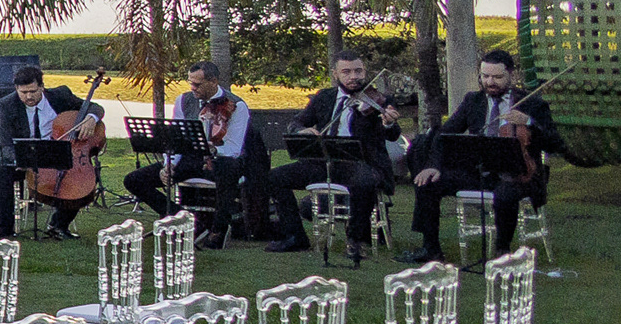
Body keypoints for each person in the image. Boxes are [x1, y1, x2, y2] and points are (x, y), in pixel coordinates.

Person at [404, 49, 560, 265]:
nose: (490, 82)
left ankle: (502, 251)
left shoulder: (532, 103)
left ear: (511, 75)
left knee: (505, 194)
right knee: (428, 183)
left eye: (497, 77)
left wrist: (529, 122)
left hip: (520, 175)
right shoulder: (473, 100)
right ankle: (431, 249)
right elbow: (444, 136)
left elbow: (554, 142)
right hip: (480, 172)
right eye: (485, 76)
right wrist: (434, 166)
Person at [121, 61, 267, 247]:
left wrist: (212, 149)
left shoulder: (237, 105)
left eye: (197, 84)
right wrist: (169, 164)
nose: (193, 88)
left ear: (213, 81)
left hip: (223, 160)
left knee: (227, 169)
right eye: (191, 82)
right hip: (191, 159)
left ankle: (218, 229)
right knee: (133, 180)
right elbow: (176, 138)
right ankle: (184, 219)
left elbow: (234, 148)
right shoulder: (184, 100)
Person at [271, 55, 399, 251]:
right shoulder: (324, 97)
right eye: (346, 72)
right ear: (335, 74)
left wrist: (388, 123)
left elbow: (393, 134)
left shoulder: (379, 101)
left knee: (363, 181)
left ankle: (356, 240)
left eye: (358, 71)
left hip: (363, 163)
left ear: (365, 72)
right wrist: (301, 130)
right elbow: (296, 122)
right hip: (325, 163)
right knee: (275, 177)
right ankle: (294, 236)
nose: (353, 77)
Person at [0, 63, 100, 240]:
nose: (29, 96)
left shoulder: (60, 95)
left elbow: (95, 107)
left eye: (33, 91)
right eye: (23, 92)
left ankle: (59, 225)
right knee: (0, 167)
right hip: (26, 154)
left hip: (56, 152)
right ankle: (5, 228)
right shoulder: (6, 105)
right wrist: (20, 161)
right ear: (16, 89)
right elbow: (5, 142)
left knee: (81, 176)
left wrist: (91, 118)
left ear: (42, 86)